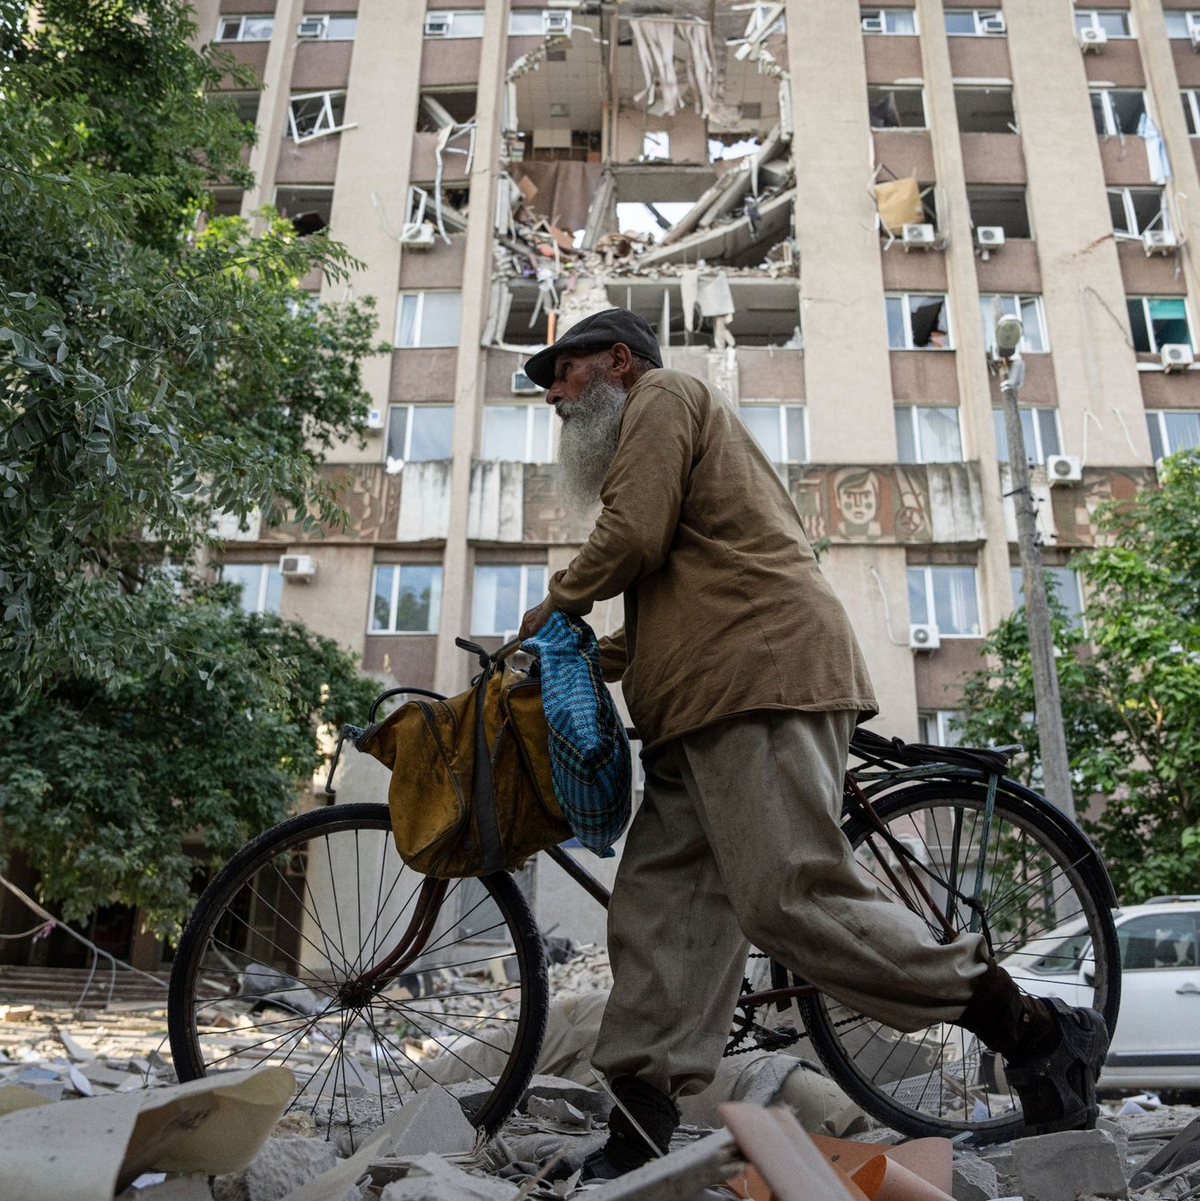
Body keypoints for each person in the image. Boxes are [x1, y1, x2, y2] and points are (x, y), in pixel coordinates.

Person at [516, 309, 1108, 1179]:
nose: (555, 396)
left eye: (561, 374)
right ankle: (639, 1129)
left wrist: (557, 602)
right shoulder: (668, 438)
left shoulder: (665, 396)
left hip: (760, 674)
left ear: (616, 360)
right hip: (696, 704)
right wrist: (584, 659)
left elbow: (636, 533)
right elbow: (675, 586)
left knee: (786, 896)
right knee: (660, 913)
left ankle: (1034, 1028)